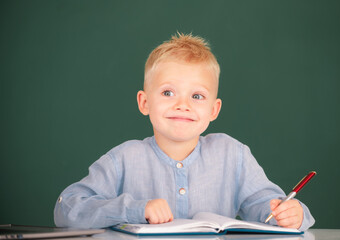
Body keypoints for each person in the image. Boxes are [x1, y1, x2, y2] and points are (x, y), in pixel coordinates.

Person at [54, 33, 315, 231]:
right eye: (168, 92)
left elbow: (266, 205)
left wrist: (292, 214)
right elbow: (67, 207)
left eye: (197, 96)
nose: (183, 105)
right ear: (144, 102)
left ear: (214, 110)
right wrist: (136, 209)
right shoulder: (124, 158)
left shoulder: (232, 155)